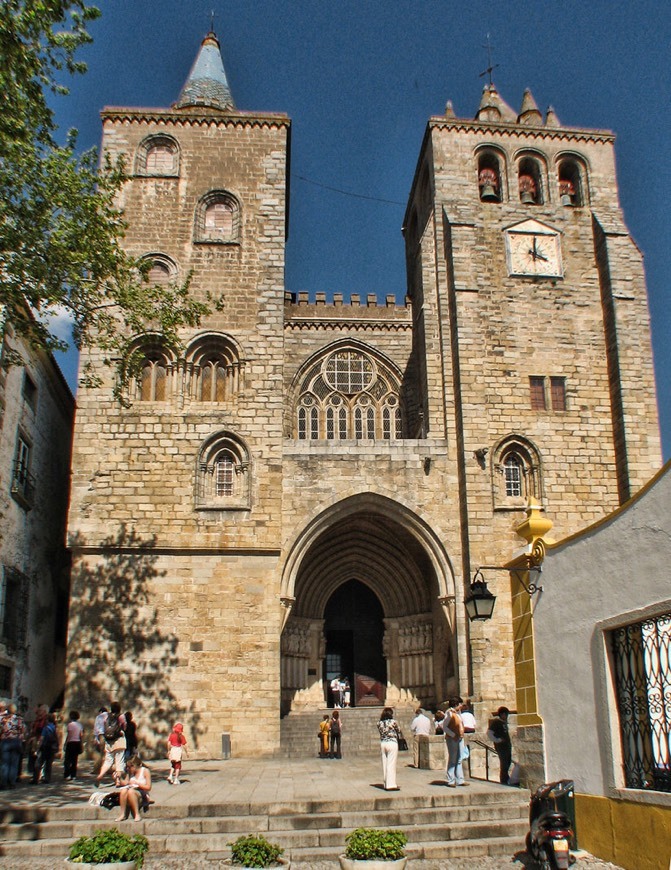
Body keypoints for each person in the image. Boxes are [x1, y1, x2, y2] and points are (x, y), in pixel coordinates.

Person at [96, 701, 126, 785]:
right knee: (119, 761)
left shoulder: (107, 716)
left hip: (109, 741)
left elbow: (104, 726)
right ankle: (117, 780)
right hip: (119, 740)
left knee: (108, 761)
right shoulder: (121, 716)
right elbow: (124, 726)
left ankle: (100, 775)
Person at [116, 755, 152, 822]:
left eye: (131, 766)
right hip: (131, 791)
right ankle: (122, 814)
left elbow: (148, 787)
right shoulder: (130, 772)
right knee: (124, 791)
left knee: (131, 792)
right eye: (128, 767)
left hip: (142, 794)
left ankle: (137, 814)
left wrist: (137, 784)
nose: (129, 769)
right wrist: (119, 778)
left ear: (137, 766)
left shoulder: (145, 771)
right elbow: (125, 783)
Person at [444, 697, 468, 788]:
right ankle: (451, 780)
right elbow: (445, 726)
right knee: (453, 759)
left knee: (459, 759)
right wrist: (453, 735)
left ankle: (460, 779)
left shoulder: (457, 713)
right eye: (460, 704)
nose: (461, 706)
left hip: (460, 738)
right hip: (452, 738)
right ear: (456, 704)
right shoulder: (449, 713)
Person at [377, 707, 402, 791]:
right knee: (391, 764)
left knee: (385, 763)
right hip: (392, 743)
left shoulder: (379, 723)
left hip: (383, 743)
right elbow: (399, 730)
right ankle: (391, 785)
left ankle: (385, 783)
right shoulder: (393, 722)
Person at [0, 703, 25, 789]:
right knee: (14, 763)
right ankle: (12, 782)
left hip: (5, 741)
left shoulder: (4, 719)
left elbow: (1, 730)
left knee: (5, 763)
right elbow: (22, 731)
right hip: (16, 741)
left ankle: (4, 783)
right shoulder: (19, 719)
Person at [488, 706, 513, 785]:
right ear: (502, 714)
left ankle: (506, 778)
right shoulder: (496, 722)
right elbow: (489, 733)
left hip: (507, 746)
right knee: (504, 763)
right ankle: (504, 780)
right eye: (506, 714)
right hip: (501, 747)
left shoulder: (504, 723)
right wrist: (497, 740)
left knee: (508, 762)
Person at [34, 713, 58, 784]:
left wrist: (38, 747)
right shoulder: (54, 727)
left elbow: (42, 738)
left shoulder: (45, 728)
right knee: (48, 763)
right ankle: (47, 778)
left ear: (47, 720)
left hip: (44, 747)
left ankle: (35, 779)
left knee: (39, 763)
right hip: (51, 747)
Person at [63, 710, 84, 781]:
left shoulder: (70, 725)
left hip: (71, 743)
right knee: (74, 760)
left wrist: (65, 744)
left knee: (67, 760)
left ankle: (67, 774)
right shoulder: (80, 725)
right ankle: (73, 775)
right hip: (77, 742)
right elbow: (81, 735)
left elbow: (69, 735)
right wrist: (81, 744)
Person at [93, 706, 108, 772]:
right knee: (108, 753)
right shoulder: (110, 716)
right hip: (109, 735)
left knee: (99, 753)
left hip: (101, 735)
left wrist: (96, 738)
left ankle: (97, 769)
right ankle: (107, 769)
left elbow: (96, 728)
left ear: (101, 711)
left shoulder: (99, 717)